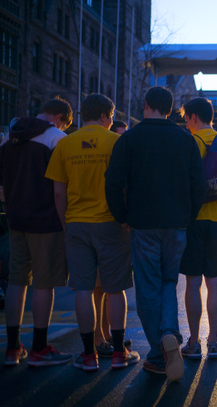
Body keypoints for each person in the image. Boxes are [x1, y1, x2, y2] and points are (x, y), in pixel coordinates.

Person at [105, 86, 206, 381]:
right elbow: (197, 184)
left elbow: (113, 182)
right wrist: (187, 216)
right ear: (171, 109)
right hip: (177, 223)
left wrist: (122, 216)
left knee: (147, 286)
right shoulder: (185, 138)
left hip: (143, 223)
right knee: (168, 282)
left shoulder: (130, 139)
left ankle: (156, 352)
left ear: (146, 104)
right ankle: (170, 334)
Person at [45, 94, 138, 372]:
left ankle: (88, 355)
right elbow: (128, 185)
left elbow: (59, 191)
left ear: (83, 115)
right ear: (108, 116)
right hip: (111, 224)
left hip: (76, 223)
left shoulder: (66, 143)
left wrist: (66, 223)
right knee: (115, 289)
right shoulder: (118, 142)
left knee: (83, 290)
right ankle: (119, 352)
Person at [0, 97, 74, 367]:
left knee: (16, 282)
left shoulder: (10, 136)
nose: (64, 128)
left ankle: (12, 348)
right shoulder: (56, 138)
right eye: (65, 123)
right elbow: (60, 187)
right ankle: (40, 349)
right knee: (44, 284)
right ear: (59, 118)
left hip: (15, 219)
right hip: (45, 221)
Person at [178, 97, 217, 360]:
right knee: (214, 282)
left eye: (186, 119)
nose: (186, 124)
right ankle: (213, 341)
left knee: (192, 281)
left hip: (193, 218)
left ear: (193, 117)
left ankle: (193, 341)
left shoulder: (190, 142)